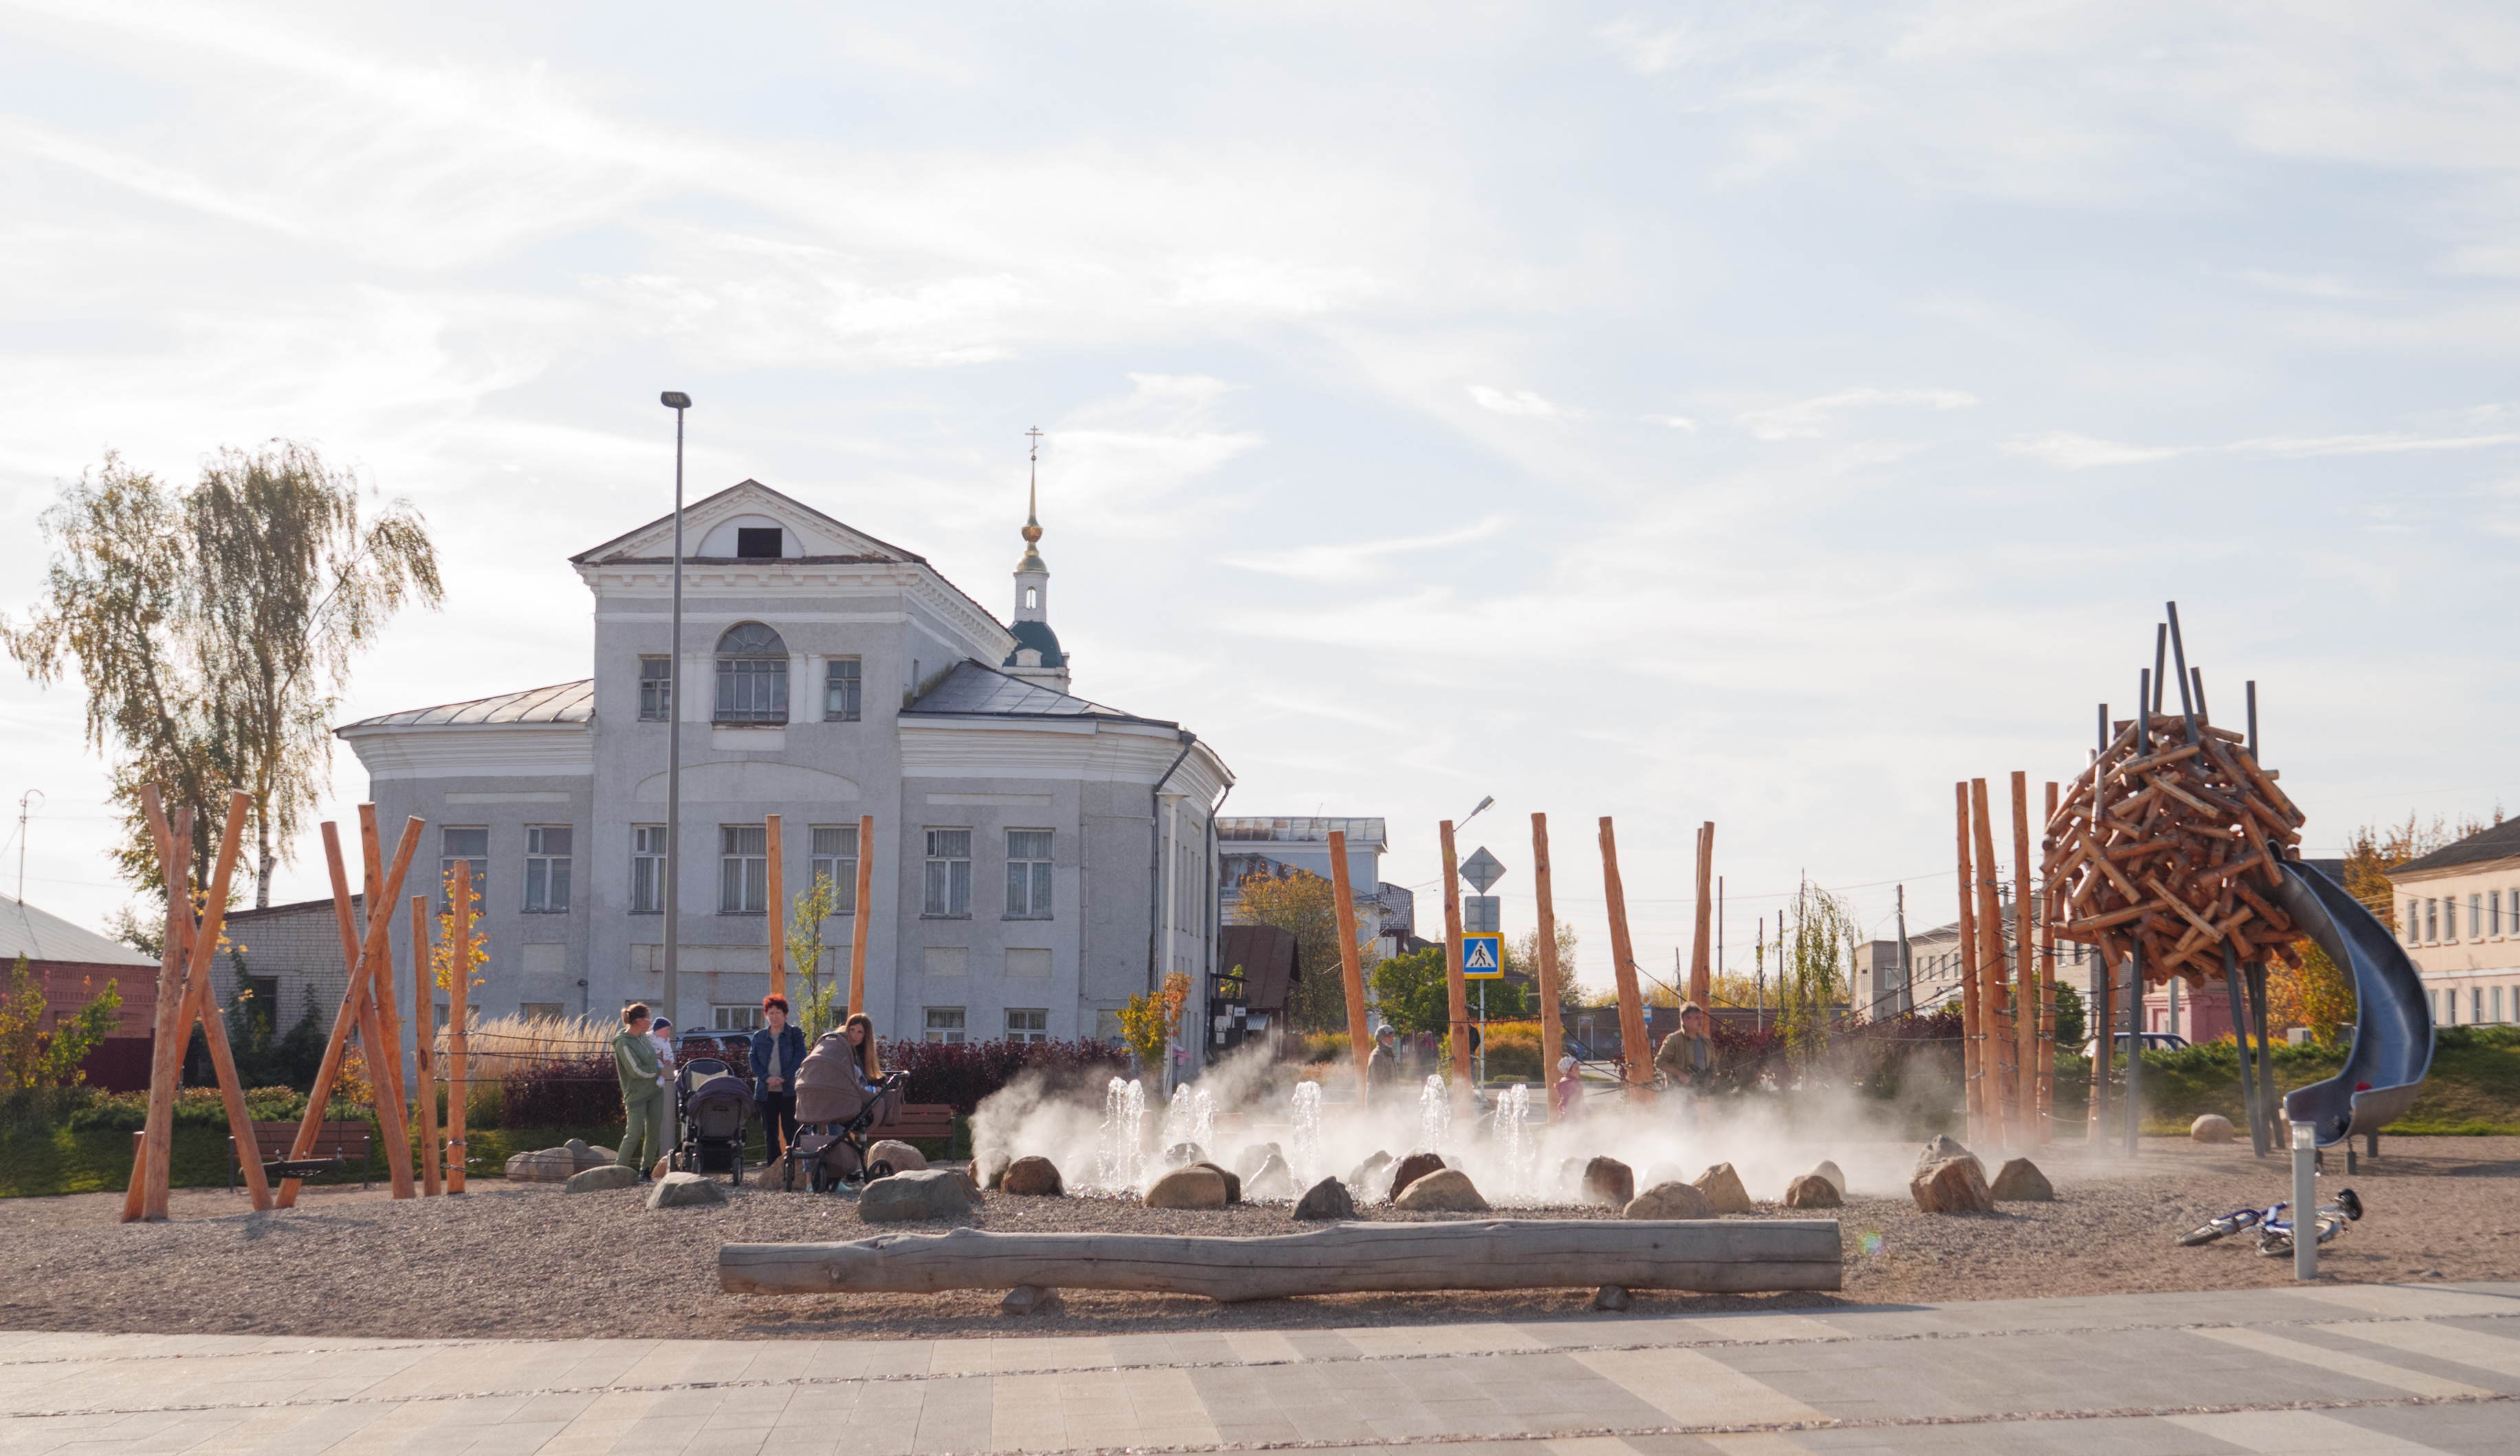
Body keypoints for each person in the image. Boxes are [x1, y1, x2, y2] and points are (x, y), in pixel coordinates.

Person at [612, 1003, 666, 1176]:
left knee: (654, 1132)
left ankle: (646, 1170)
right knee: (634, 1133)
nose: (651, 1021)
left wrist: (659, 1059)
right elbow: (635, 1070)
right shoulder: (623, 1043)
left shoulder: (644, 1037)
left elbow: (649, 1059)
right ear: (639, 1021)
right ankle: (618, 1170)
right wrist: (658, 1071)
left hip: (655, 1091)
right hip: (636, 1095)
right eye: (648, 1018)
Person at [750, 995, 807, 1156]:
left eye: (778, 1013)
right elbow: (753, 1059)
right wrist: (766, 1077)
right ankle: (773, 1168)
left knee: (791, 1131)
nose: (774, 1017)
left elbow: (800, 1057)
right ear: (766, 1015)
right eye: (771, 1013)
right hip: (765, 1092)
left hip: (788, 1091)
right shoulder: (759, 1036)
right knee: (770, 1133)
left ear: (785, 1015)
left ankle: (793, 1168)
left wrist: (785, 1077)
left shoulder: (794, 1033)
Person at [1654, 1001, 1716, 1119]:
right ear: (1686, 1020)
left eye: (1701, 1018)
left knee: (1702, 1122)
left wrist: (1712, 1077)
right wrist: (1680, 1074)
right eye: (1696, 1018)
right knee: (1686, 1122)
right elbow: (1660, 1062)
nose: (1700, 1021)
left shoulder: (1706, 1041)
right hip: (1681, 1091)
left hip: (1702, 1090)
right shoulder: (1674, 1039)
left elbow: (1713, 1063)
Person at [841, 1012, 884, 1085]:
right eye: (852, 1030)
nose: (854, 1036)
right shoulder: (840, 1048)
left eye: (860, 1032)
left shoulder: (864, 1055)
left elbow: (872, 1079)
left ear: (865, 1035)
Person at [1366, 1024, 1403, 1101]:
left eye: (1393, 1037)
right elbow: (1379, 1082)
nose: (1392, 1039)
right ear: (1382, 1038)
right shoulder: (1377, 1055)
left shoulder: (1388, 1054)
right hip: (1378, 1102)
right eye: (1390, 1037)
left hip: (1388, 1101)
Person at [1552, 1054, 1586, 1121]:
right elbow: (1566, 1100)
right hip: (1571, 1117)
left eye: (1579, 1069)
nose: (1579, 1072)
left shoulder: (1573, 1082)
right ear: (1567, 1071)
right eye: (1576, 1069)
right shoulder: (1566, 1083)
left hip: (1576, 1115)